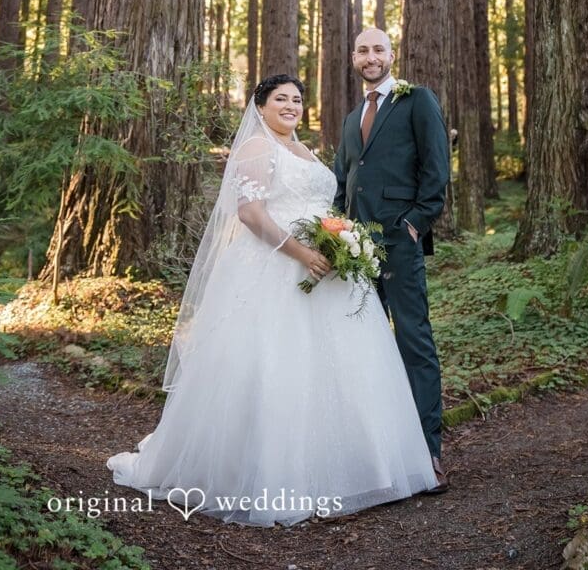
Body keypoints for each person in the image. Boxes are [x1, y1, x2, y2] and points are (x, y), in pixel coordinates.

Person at [107, 74, 437, 526]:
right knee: (278, 366)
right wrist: (301, 251)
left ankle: (355, 469)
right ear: (260, 106)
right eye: (281, 99)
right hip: (276, 267)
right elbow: (250, 213)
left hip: (327, 271)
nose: (291, 106)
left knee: (343, 369)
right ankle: (269, 475)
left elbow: (326, 204)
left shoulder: (302, 150)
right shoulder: (256, 149)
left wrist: (340, 241)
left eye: (297, 99)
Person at [334, 29, 450, 492]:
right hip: (357, 250)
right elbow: (345, 181)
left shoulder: (416, 100)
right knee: (363, 348)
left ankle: (429, 452)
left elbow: (436, 168)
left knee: (413, 342)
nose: (370, 56)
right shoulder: (350, 118)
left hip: (400, 242)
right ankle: (376, 452)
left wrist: (415, 222)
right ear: (354, 57)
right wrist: (337, 232)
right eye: (362, 49)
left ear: (392, 55)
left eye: (378, 49)